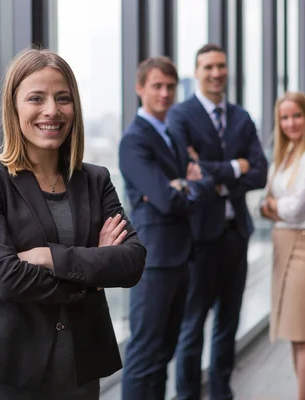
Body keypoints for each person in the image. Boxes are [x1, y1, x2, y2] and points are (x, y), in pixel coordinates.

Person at [0, 47, 146, 400]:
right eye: (35, 98)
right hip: (8, 374)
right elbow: (2, 277)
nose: (51, 111)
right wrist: (93, 274)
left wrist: (45, 256)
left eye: (63, 98)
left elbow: (132, 263)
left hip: (80, 374)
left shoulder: (95, 180)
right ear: (14, 107)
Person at [167, 43, 268, 400]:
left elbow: (259, 174)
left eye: (221, 66)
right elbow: (184, 169)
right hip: (199, 237)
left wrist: (209, 170)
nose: (216, 73)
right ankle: (187, 395)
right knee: (193, 324)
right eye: (208, 66)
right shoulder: (180, 116)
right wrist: (233, 167)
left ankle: (222, 392)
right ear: (197, 71)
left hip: (236, 234)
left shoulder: (241, 117)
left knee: (228, 321)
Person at [118, 56, 216, 400]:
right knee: (145, 354)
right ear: (140, 88)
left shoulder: (171, 134)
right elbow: (166, 199)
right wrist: (184, 187)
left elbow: (199, 181)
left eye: (170, 87)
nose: (164, 93)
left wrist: (186, 185)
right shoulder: (134, 140)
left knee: (164, 353)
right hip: (154, 260)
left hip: (179, 256)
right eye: (157, 86)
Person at [260, 92, 305, 400]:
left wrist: (273, 206)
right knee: (293, 333)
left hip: (304, 249)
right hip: (283, 247)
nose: (291, 123)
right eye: (285, 117)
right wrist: (273, 205)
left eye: (297, 116)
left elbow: (295, 210)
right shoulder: (285, 154)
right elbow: (261, 203)